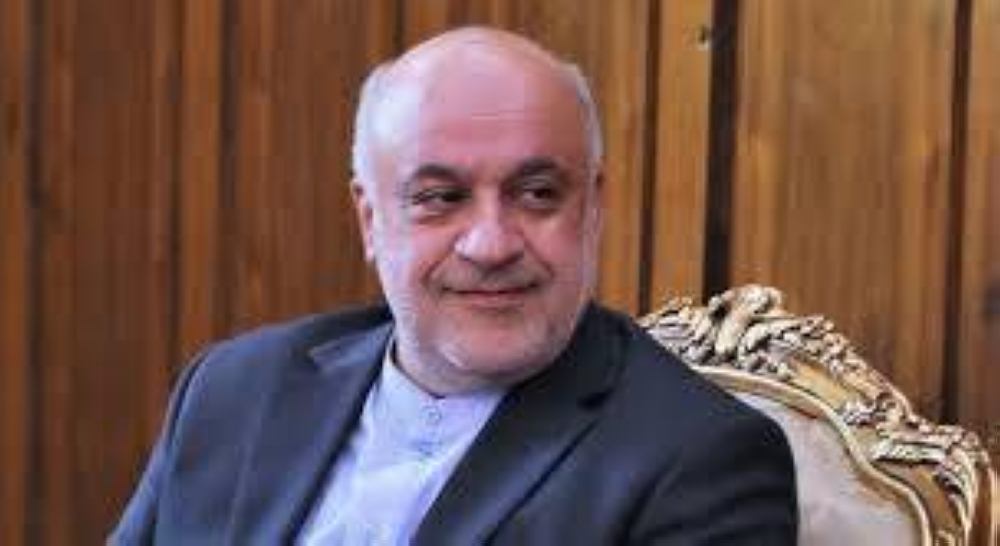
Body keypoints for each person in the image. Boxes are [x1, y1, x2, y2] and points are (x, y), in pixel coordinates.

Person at [111, 27, 797, 544]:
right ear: (370, 220)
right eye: (440, 198)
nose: (491, 245)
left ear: (592, 209)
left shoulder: (700, 460)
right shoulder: (232, 390)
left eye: (537, 193)